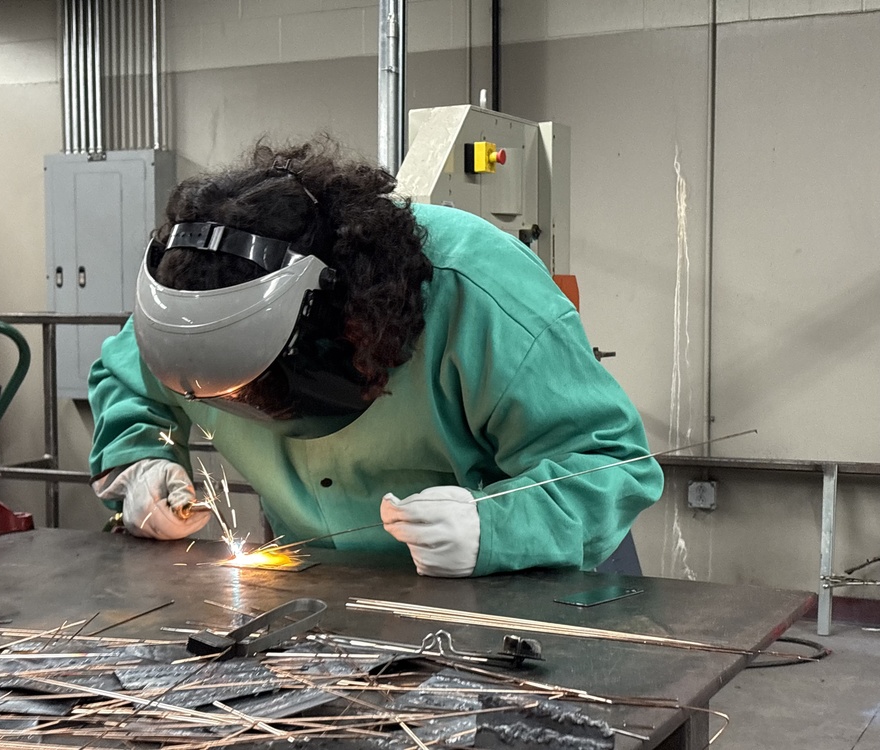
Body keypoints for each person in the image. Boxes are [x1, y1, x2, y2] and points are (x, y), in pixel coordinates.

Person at [88, 136, 664, 578]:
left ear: (339, 326)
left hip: (529, 578)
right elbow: (129, 383)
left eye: (254, 389)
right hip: (326, 583)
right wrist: (139, 465)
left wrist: (497, 527)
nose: (244, 409)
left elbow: (611, 466)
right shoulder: (192, 302)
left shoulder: (477, 290)